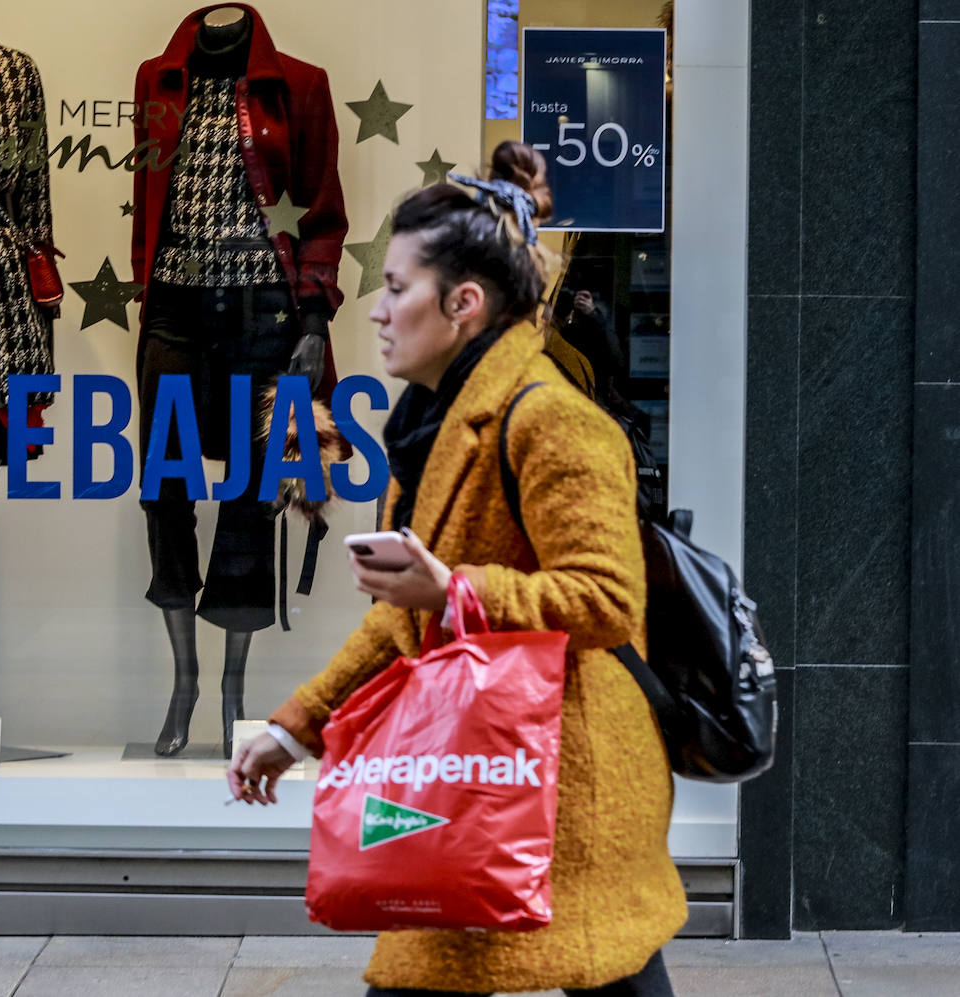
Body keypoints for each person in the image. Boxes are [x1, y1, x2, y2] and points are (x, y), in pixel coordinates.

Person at [228, 156, 686, 995]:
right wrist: (296, 727)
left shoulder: (552, 420)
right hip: (487, 765)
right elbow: (399, 622)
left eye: (397, 287)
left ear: (462, 304)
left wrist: (458, 591)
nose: (376, 309)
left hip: (566, 777)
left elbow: (609, 597)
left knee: (603, 964)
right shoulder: (428, 426)